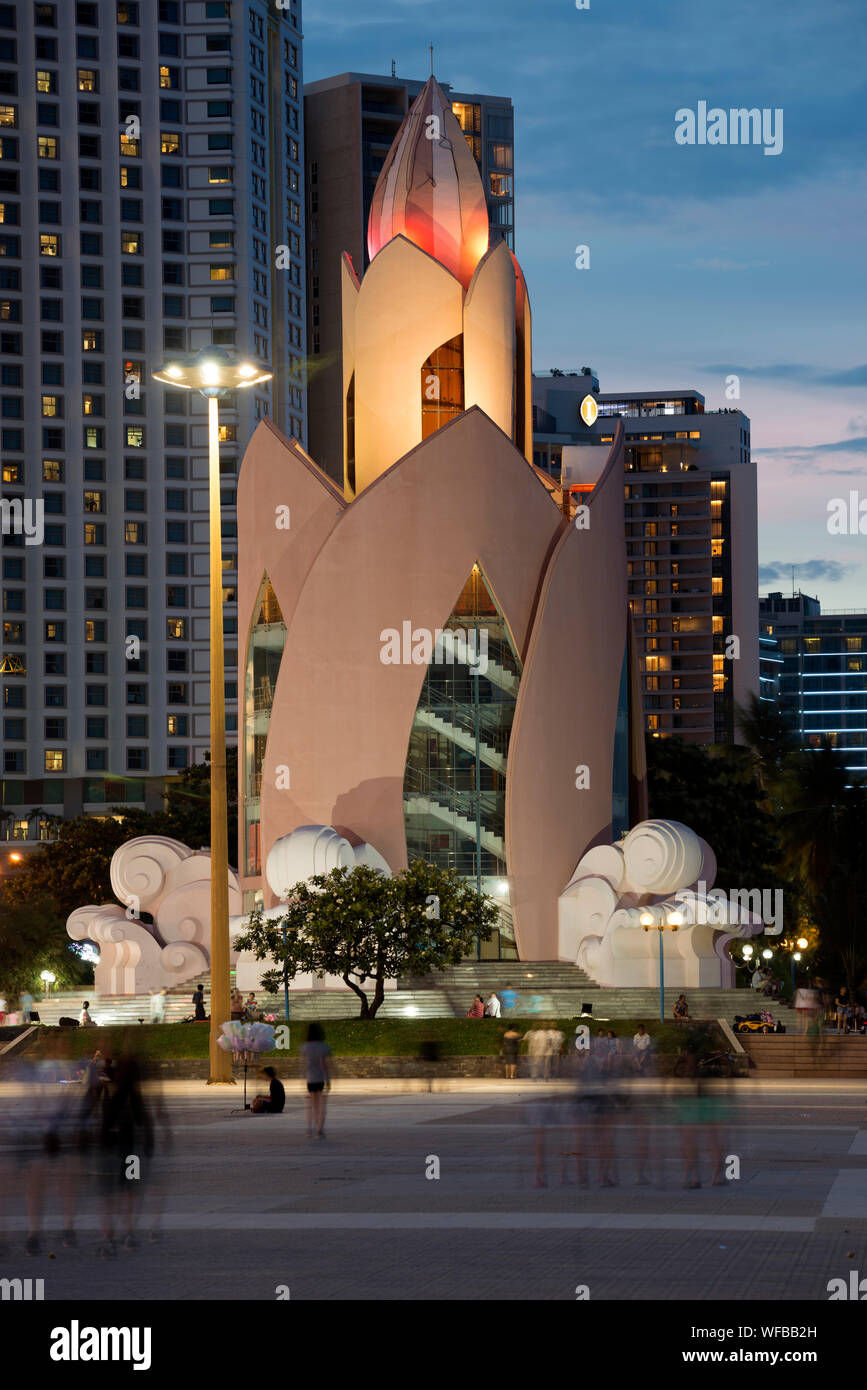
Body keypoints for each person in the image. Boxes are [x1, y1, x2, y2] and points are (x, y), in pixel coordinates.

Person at [300, 1023, 332, 1138]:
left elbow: (304, 1065)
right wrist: (328, 1080)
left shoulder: (305, 1047)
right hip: (320, 1078)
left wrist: (302, 1078)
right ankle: (320, 1128)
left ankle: (309, 1128)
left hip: (310, 1078)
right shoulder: (323, 1046)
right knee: (322, 1104)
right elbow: (324, 1065)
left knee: (312, 1105)